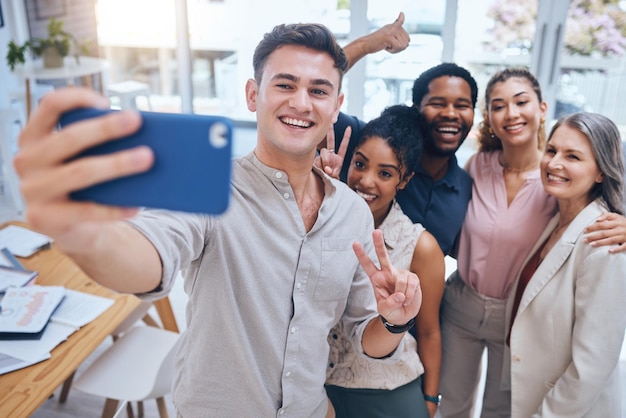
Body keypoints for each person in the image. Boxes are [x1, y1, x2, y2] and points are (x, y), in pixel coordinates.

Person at [14, 23, 423, 417]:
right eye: (285, 84)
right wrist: (82, 234)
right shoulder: (209, 188)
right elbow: (150, 254)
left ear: (336, 106)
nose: (301, 102)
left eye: (318, 90)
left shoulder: (351, 211)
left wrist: (394, 320)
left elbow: (364, 337)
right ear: (252, 94)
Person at [439, 67, 626, 418]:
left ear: (541, 108)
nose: (510, 113)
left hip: (516, 315)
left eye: (521, 101)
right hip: (462, 302)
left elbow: (593, 360)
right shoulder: (478, 166)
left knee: (501, 407)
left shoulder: (560, 188)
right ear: (488, 117)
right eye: (498, 105)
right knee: (450, 402)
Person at [323, 105, 445, 418]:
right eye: (360, 164)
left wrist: (431, 400)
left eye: (385, 173)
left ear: (404, 180)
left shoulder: (422, 246)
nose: (366, 180)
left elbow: (429, 331)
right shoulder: (321, 217)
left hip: (388, 392)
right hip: (318, 389)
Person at [506, 112, 626, 417]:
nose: (554, 163)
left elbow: (591, 366)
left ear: (601, 172)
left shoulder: (604, 244)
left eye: (573, 156)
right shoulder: (555, 220)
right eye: (551, 150)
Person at [330, 63, 477, 257]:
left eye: (462, 105)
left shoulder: (466, 188)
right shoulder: (374, 141)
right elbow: (317, 90)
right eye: (438, 103)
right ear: (417, 108)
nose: (450, 114)